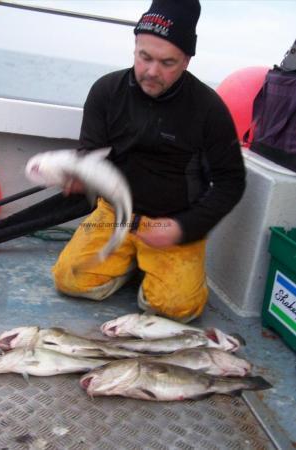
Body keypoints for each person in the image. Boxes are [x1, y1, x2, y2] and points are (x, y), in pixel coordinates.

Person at [52, 0, 246, 322]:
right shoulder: (106, 91)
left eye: (167, 62)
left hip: (171, 220)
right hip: (114, 214)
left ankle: (154, 267)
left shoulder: (209, 109)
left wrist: (183, 227)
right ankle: (130, 264)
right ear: (135, 47)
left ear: (186, 60)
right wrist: (80, 175)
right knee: (69, 279)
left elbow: (231, 182)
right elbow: (90, 153)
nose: (152, 71)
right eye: (145, 57)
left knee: (176, 309)